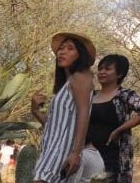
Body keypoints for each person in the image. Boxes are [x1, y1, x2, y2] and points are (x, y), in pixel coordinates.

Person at [30, 32, 105, 182]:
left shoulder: (81, 77)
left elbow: (84, 115)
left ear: (80, 55)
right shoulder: (67, 83)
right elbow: (55, 127)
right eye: (61, 48)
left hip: (61, 153)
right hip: (51, 150)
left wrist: (76, 153)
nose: (62, 52)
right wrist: (34, 110)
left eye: (70, 48)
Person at [87, 54, 140, 183]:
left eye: (107, 69)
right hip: (88, 155)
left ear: (119, 74)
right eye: (100, 69)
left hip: (112, 158)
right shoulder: (91, 96)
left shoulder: (124, 95)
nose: (102, 72)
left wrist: (119, 130)